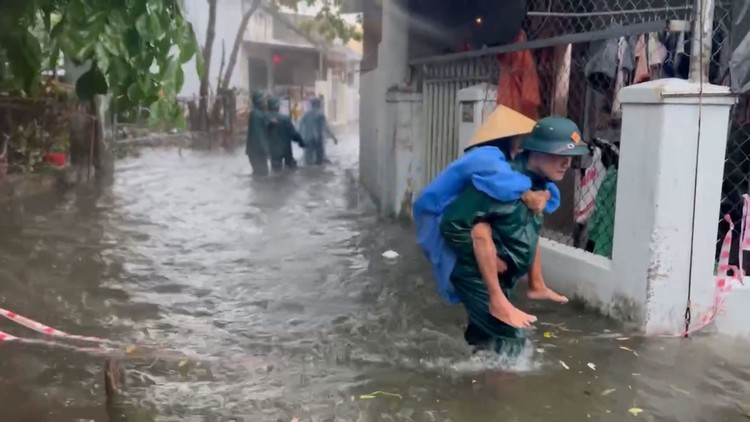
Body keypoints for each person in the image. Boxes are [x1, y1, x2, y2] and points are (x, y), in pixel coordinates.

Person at [439, 116, 588, 355]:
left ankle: (474, 379)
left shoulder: (540, 184)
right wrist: (490, 261)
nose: (566, 164)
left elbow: (530, 232)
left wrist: (535, 281)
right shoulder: (499, 184)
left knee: (486, 338)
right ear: (536, 152)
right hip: (476, 274)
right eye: (560, 155)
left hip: (501, 277)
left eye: (570, 158)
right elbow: (451, 225)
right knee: (512, 339)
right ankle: (500, 388)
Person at [266, 96, 305, 172]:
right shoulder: (284, 118)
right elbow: (293, 134)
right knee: (290, 171)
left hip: (273, 152)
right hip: (286, 150)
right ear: (277, 107)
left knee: (276, 172)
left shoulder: (264, 118)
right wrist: (301, 142)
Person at [298, 97, 338, 165]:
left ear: (311, 105)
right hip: (318, 140)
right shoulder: (321, 115)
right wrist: (333, 137)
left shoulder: (306, 115)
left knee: (308, 161)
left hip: (308, 139)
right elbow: (326, 128)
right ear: (319, 105)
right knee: (320, 161)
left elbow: (300, 128)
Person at [246, 90, 270, 177]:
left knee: (259, 176)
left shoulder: (258, 113)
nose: (266, 102)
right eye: (264, 100)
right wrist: (265, 150)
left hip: (255, 152)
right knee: (262, 176)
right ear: (260, 101)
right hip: (257, 152)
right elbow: (258, 135)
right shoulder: (256, 115)